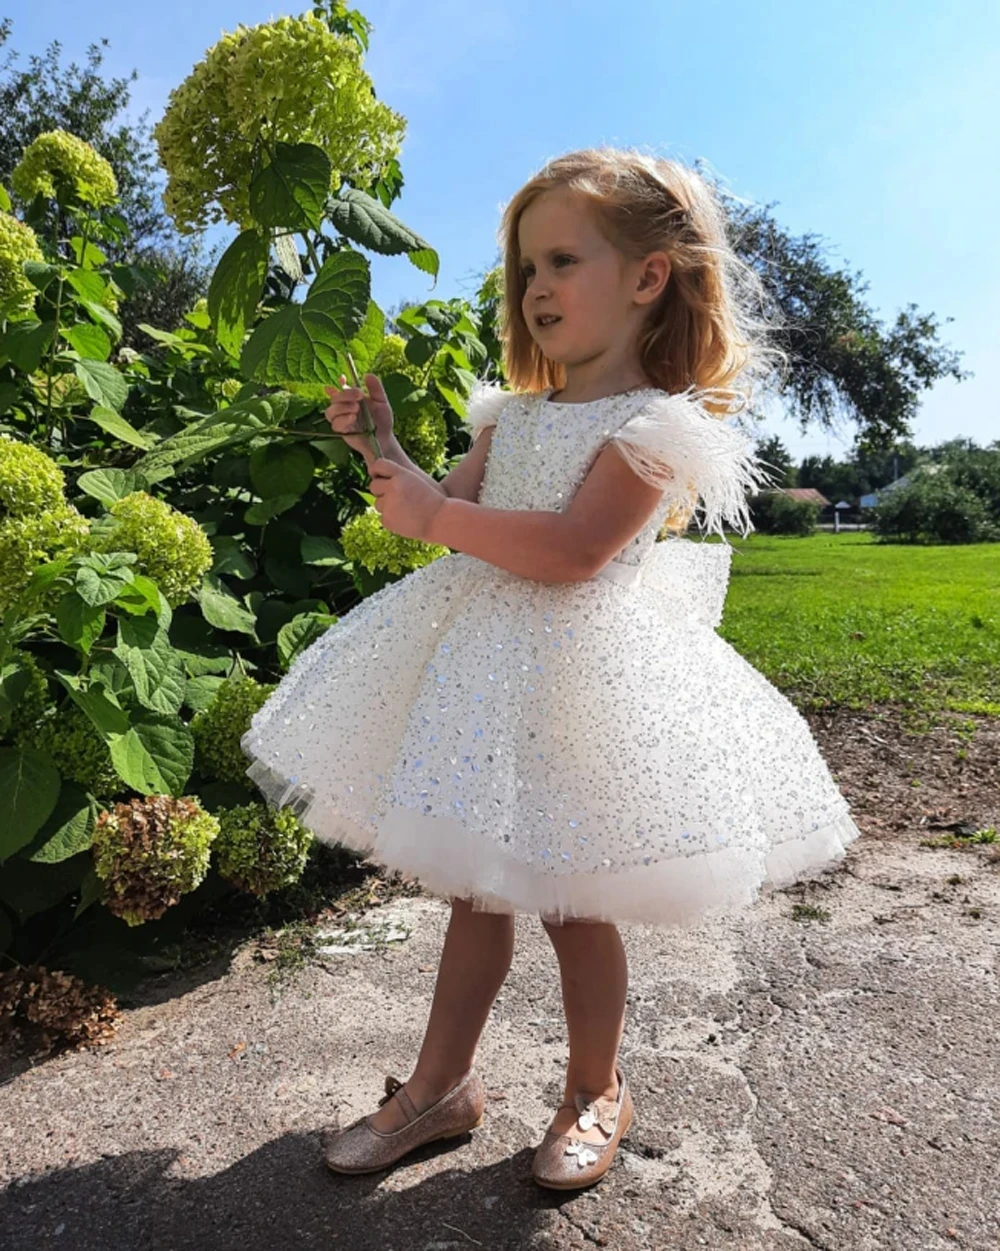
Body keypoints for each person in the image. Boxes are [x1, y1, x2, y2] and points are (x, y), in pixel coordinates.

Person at [241, 147, 863, 1190]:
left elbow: (577, 549)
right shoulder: (510, 414)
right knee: (472, 894)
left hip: (586, 685)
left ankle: (594, 1089)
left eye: (562, 260)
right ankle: (439, 1088)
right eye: (524, 268)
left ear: (647, 276)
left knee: (577, 901)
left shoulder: (655, 427)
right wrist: (385, 451)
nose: (535, 288)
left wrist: (443, 513)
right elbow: (450, 515)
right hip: (484, 674)